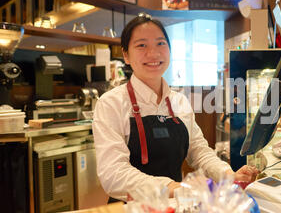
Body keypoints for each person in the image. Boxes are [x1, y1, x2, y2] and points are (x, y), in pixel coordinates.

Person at [92, 13, 259, 202]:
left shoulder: (179, 101)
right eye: (141, 45)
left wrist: (227, 174)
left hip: (177, 210)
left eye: (160, 43)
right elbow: (114, 174)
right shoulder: (111, 104)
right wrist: (173, 187)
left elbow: (198, 151)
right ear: (126, 55)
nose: (153, 53)